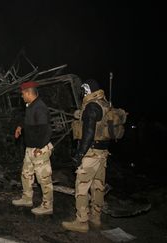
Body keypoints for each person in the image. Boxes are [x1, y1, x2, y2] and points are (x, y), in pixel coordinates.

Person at [62, 79, 110, 233]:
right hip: (102, 153)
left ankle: (81, 221)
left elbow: (88, 133)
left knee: (81, 186)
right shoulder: (103, 104)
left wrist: (79, 154)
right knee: (98, 186)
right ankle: (96, 217)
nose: (81, 93)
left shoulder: (91, 106)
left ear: (87, 90)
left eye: (83, 90)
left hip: (91, 152)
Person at [12, 81, 54, 215]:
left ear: (29, 93)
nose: (22, 96)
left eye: (23, 94)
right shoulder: (30, 106)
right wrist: (20, 126)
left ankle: (47, 206)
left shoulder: (40, 108)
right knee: (26, 174)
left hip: (39, 149)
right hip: (30, 148)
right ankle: (27, 198)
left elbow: (46, 130)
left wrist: (40, 147)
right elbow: (26, 119)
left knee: (44, 179)